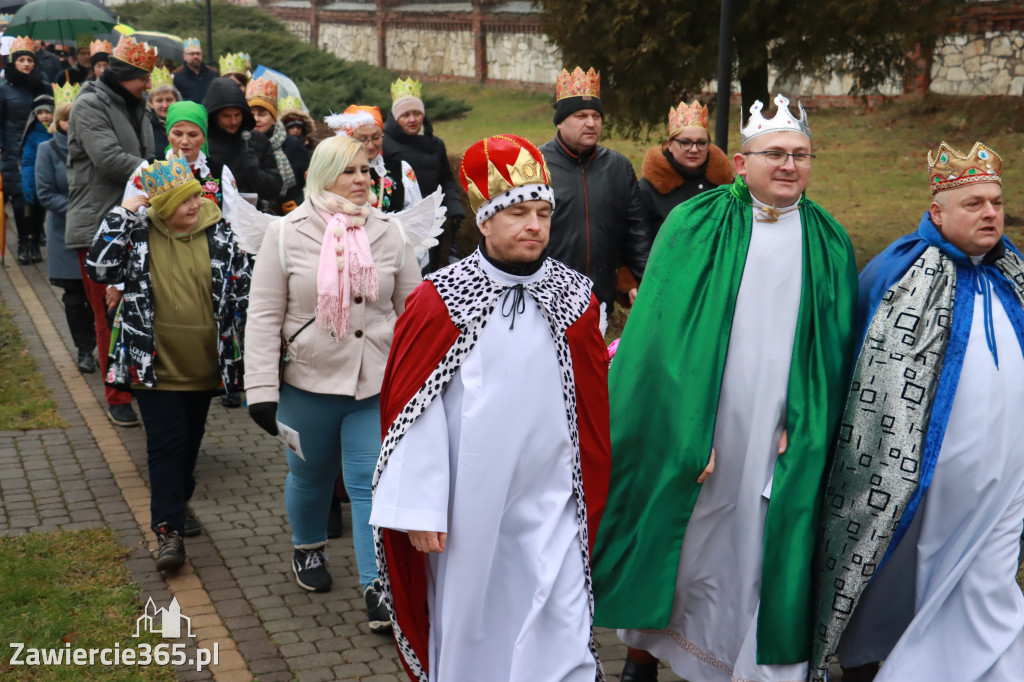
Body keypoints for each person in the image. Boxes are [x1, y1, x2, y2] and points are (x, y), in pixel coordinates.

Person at [591, 95, 858, 682]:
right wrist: (688, 426)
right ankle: (641, 657)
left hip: (777, 430)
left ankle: (743, 664)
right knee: (683, 541)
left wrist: (808, 419)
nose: (789, 166)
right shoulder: (696, 224)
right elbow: (656, 342)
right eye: (775, 155)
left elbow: (833, 351)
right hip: (701, 423)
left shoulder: (829, 242)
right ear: (741, 162)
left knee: (759, 547)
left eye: (801, 155)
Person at [370, 133, 611, 681]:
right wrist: (421, 508)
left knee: (565, 621)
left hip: (554, 501)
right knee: (474, 626)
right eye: (519, 212)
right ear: (484, 220)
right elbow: (414, 409)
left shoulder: (574, 299)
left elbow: (592, 410)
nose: (534, 225)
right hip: (469, 507)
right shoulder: (441, 299)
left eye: (544, 213)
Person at [810, 141, 1024, 682]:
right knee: (904, 565)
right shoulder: (901, 274)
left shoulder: (1015, 271)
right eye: (973, 203)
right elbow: (858, 375)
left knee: (990, 577)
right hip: (927, 475)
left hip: (1008, 472)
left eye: (996, 202)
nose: (990, 213)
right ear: (937, 212)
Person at [243, 135, 420, 629]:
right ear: (323, 175)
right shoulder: (285, 233)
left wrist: (423, 378)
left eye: (366, 170)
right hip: (307, 383)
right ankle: (308, 550)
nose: (363, 180)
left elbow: (414, 313)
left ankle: (377, 585)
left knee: (369, 482)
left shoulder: (392, 232)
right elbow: (262, 317)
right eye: (350, 172)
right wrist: (260, 391)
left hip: (375, 384)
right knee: (311, 475)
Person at [86, 155, 249, 572]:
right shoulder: (137, 233)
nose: (193, 205)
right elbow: (100, 267)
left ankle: (178, 497)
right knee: (165, 446)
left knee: (190, 446)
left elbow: (244, 294)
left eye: (195, 196)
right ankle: (168, 532)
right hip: (151, 366)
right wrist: (123, 212)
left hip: (204, 366)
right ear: (161, 207)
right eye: (182, 201)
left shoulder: (220, 233)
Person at [65, 34, 157, 429]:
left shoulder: (137, 105)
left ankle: (138, 381)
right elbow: (110, 159)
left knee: (138, 309)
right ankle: (116, 395)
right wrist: (164, 176)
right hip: (98, 229)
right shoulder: (89, 105)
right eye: (143, 78)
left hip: (136, 223)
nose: (149, 85)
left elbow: (148, 153)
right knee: (110, 315)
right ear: (124, 75)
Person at [539, 67, 650, 309]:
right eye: (581, 116)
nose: (591, 123)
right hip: (546, 295)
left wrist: (643, 282)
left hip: (599, 298)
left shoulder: (619, 167)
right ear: (560, 122)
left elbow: (637, 231)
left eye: (596, 116)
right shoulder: (536, 165)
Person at [37, 83, 97, 373]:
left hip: (97, 230)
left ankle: (102, 344)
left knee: (97, 295)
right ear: (58, 122)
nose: (71, 124)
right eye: (65, 119)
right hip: (65, 232)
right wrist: (78, 211)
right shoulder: (46, 150)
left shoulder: (93, 147)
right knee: (74, 298)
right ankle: (84, 348)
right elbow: (45, 192)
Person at [382, 77, 465, 270]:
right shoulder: (385, 145)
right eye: (406, 115)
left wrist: (454, 207)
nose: (412, 119)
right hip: (403, 223)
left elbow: (446, 179)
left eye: (417, 113)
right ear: (396, 118)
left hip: (433, 222)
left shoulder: (436, 144)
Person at [639, 99, 733, 235]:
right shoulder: (649, 189)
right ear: (670, 145)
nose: (694, 150)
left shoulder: (725, 185)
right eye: (685, 142)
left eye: (701, 143)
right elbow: (640, 239)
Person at [0, 36, 51, 264]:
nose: (26, 64)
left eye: (29, 60)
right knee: (20, 200)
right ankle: (23, 241)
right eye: (21, 60)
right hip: (14, 152)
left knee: (40, 197)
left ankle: (35, 239)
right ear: (13, 62)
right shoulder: (3, 90)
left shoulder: (42, 86)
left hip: (41, 150)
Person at [203, 76, 282, 209]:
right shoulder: (203, 144)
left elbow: (275, 189)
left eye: (237, 115)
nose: (234, 121)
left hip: (252, 216)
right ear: (214, 116)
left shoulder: (256, 140)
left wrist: (256, 173)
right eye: (226, 116)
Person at [245, 76, 307, 212]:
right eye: (251, 114)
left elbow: (305, 182)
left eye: (262, 114)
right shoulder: (240, 143)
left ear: (273, 119)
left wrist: (298, 203)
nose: (256, 120)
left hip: (287, 214)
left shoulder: (293, 145)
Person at [19, 92, 53, 262]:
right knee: (32, 213)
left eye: (47, 112)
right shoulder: (32, 135)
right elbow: (28, 162)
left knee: (43, 214)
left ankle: (38, 240)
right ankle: (31, 242)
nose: (44, 116)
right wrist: (29, 184)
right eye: (40, 113)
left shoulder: (57, 132)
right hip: (36, 180)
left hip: (53, 181)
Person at [146, 66, 180, 155]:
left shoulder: (184, 121)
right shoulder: (145, 126)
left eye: (169, 100)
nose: (164, 105)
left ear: (176, 100)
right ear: (150, 103)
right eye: (159, 100)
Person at [173, 37, 217, 104]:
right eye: (192, 54)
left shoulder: (213, 73)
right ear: (185, 56)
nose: (196, 56)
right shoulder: (177, 76)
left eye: (198, 53)